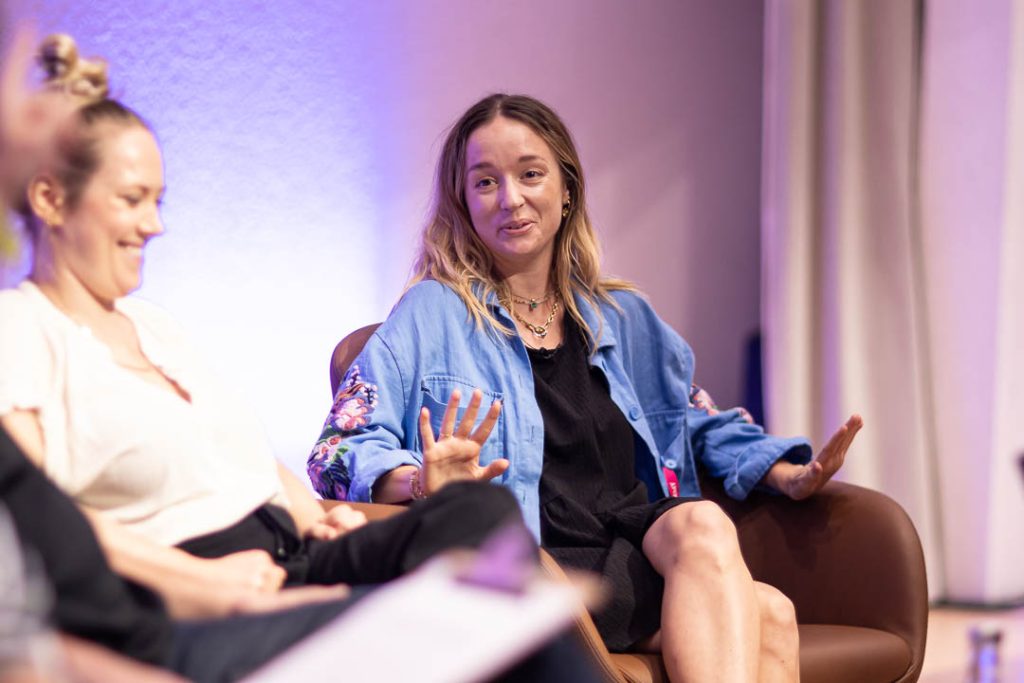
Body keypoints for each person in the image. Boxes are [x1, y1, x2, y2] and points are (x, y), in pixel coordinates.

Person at [307, 93, 864, 683]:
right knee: (769, 613)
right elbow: (335, 452)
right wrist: (420, 480)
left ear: (567, 188)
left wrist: (784, 473)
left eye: (530, 174)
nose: (511, 199)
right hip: (533, 566)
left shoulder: (622, 315)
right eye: (486, 182)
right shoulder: (432, 313)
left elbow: (693, 417)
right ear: (464, 202)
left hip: (631, 549)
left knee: (707, 529)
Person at [0, 33, 532, 626]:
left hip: (294, 554)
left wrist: (314, 516)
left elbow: (245, 454)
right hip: (195, 587)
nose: (154, 225)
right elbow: (35, 520)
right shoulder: (19, 330)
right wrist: (199, 582)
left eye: (159, 201)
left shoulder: (155, 327)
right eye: (132, 199)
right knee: (462, 616)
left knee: (479, 514)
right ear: (49, 199)